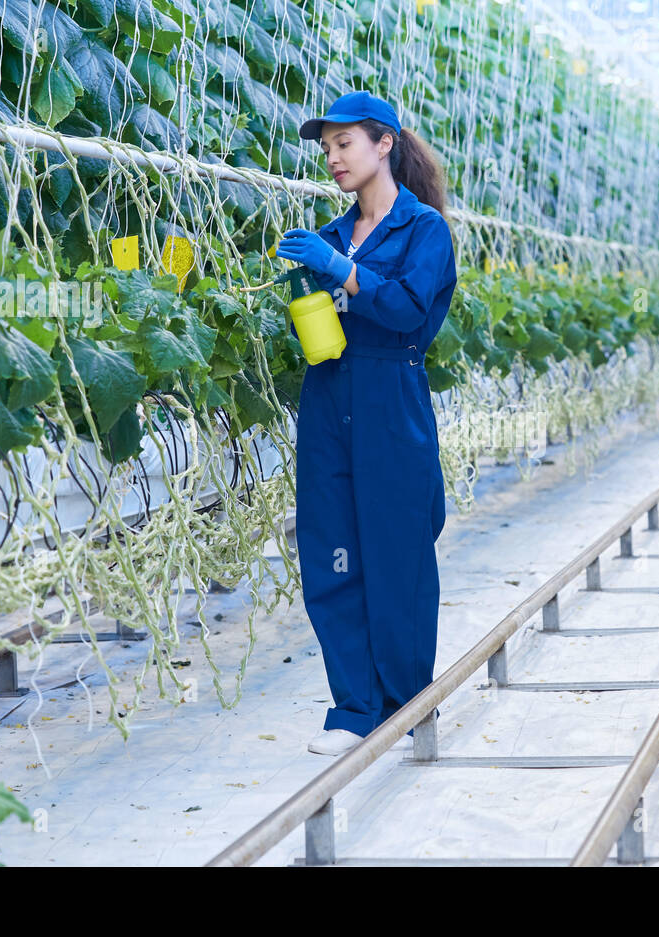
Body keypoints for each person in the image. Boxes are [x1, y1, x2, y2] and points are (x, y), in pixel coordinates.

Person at [275, 91, 457, 756]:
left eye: (344, 144)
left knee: (397, 550)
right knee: (332, 552)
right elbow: (322, 329)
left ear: (384, 144)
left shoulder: (423, 230)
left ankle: (408, 702)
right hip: (329, 394)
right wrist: (307, 296)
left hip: (390, 394)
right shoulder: (326, 237)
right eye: (326, 148)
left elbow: (408, 311)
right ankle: (353, 707)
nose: (332, 158)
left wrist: (344, 272)